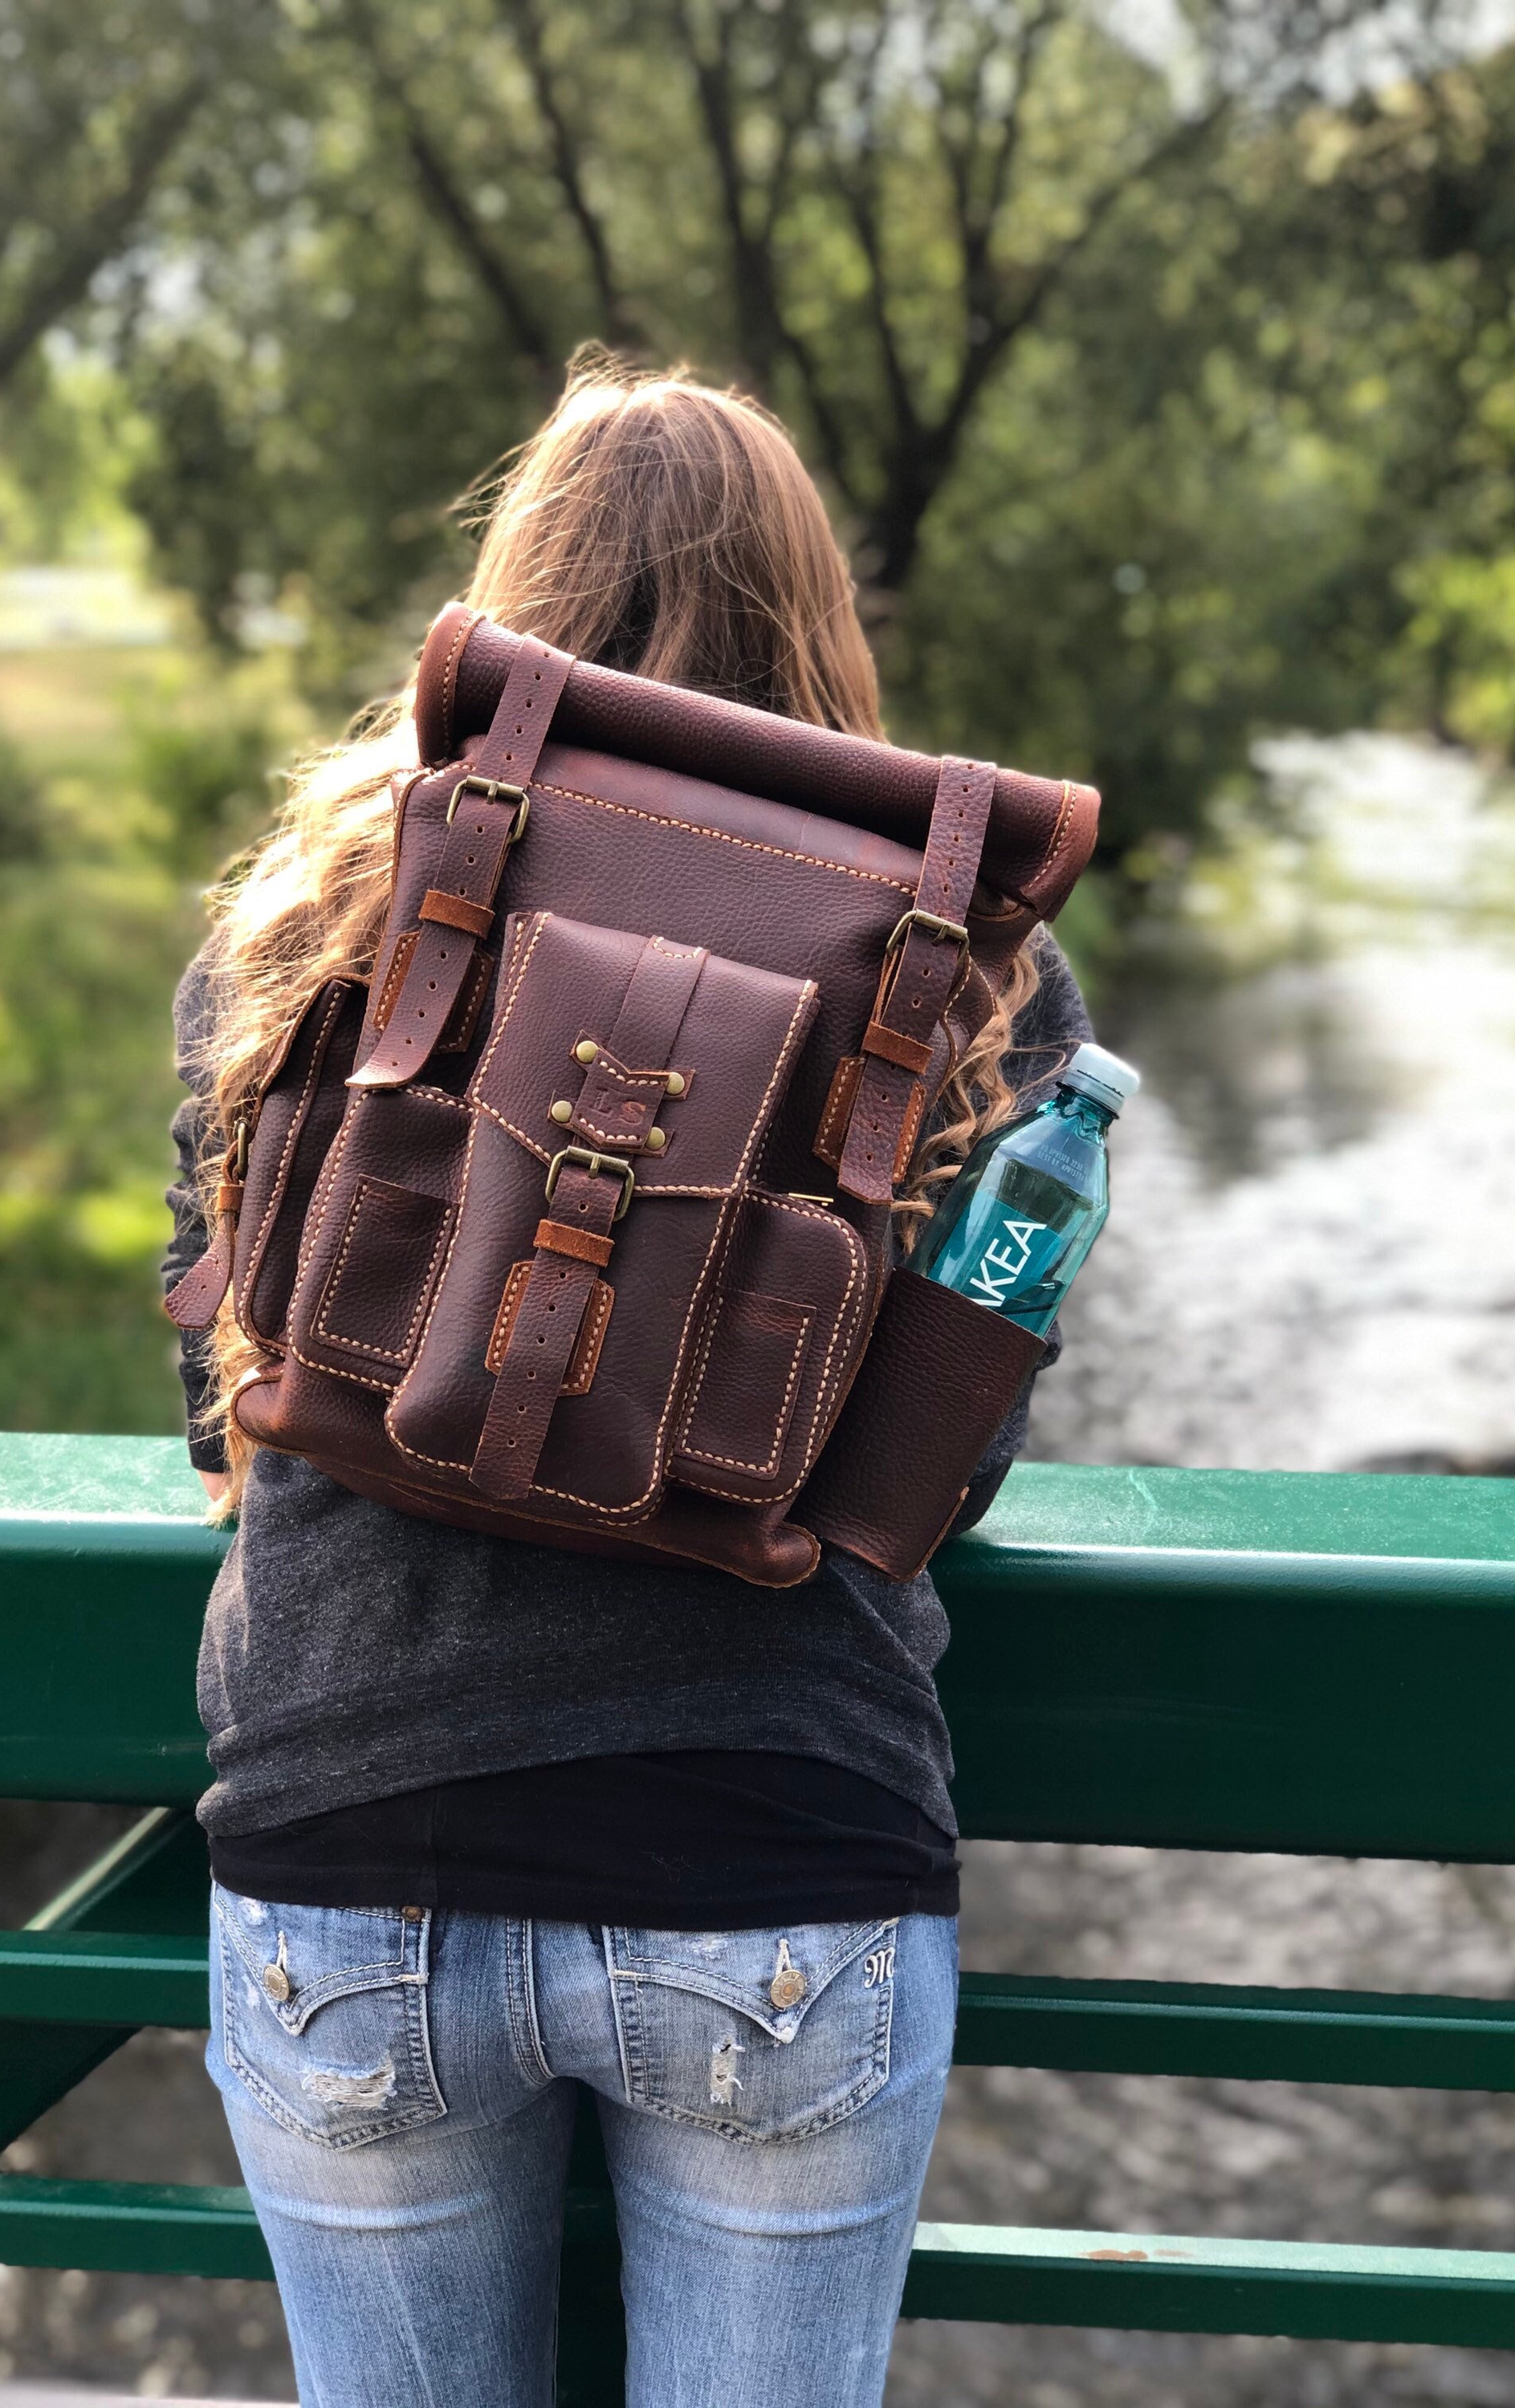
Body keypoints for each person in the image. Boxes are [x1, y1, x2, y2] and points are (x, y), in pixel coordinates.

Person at [161, 356, 1092, 2408]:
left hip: (349, 1843)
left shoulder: (324, 906)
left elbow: (226, 1389)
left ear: (514, 583)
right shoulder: (974, 958)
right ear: (816, 613)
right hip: (779, 1858)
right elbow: (948, 1472)